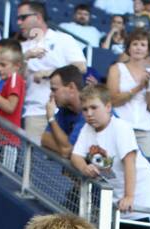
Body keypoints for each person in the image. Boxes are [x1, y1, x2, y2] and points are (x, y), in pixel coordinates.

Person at [73, 85, 150, 229]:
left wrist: (129, 196)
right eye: (85, 109)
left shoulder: (121, 128)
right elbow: (75, 155)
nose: (89, 113)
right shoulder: (87, 129)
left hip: (143, 202)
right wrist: (84, 167)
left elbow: (130, 162)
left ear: (108, 107)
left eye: (94, 107)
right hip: (118, 207)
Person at [18, 2, 87, 144]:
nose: (19, 22)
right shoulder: (22, 47)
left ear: (37, 17)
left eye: (23, 17)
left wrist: (50, 73)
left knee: (65, 156)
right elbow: (15, 80)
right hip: (34, 112)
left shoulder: (62, 39)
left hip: (63, 113)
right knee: (34, 162)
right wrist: (25, 58)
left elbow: (81, 67)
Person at [109, 28, 150, 157]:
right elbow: (113, 100)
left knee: (147, 171)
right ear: (128, 47)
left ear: (148, 50)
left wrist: (148, 88)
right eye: (135, 44)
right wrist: (138, 87)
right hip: (119, 126)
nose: (138, 48)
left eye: (143, 45)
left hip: (145, 130)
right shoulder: (116, 69)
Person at [41, 65, 87, 160]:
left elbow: (66, 150)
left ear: (71, 87)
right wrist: (65, 148)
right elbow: (45, 139)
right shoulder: (65, 110)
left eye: (54, 90)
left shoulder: (89, 110)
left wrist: (51, 118)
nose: (51, 95)